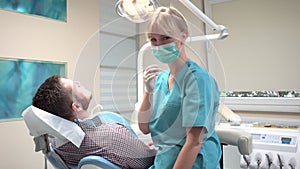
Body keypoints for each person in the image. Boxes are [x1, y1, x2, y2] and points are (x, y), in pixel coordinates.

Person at [138, 7, 222, 169]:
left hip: (193, 161)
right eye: (153, 39)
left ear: (183, 37)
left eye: (165, 38)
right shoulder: (162, 78)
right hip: (165, 160)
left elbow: (194, 143)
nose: (159, 44)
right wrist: (148, 92)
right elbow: (145, 127)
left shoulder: (197, 79)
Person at [32, 74, 156, 168]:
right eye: (75, 85)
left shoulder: (54, 143)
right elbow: (148, 161)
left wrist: (133, 147)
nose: (78, 82)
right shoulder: (113, 135)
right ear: (76, 107)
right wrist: (152, 150)